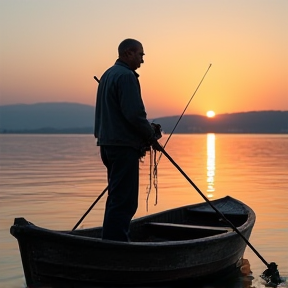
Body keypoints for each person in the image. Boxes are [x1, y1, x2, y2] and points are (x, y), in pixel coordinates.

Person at [94, 38, 160, 241]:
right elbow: (134, 114)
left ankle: (110, 241)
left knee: (116, 197)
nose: (142, 60)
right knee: (125, 201)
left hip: (107, 146)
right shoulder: (126, 77)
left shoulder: (108, 75)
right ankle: (116, 247)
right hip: (123, 148)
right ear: (128, 53)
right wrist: (150, 134)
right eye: (141, 55)